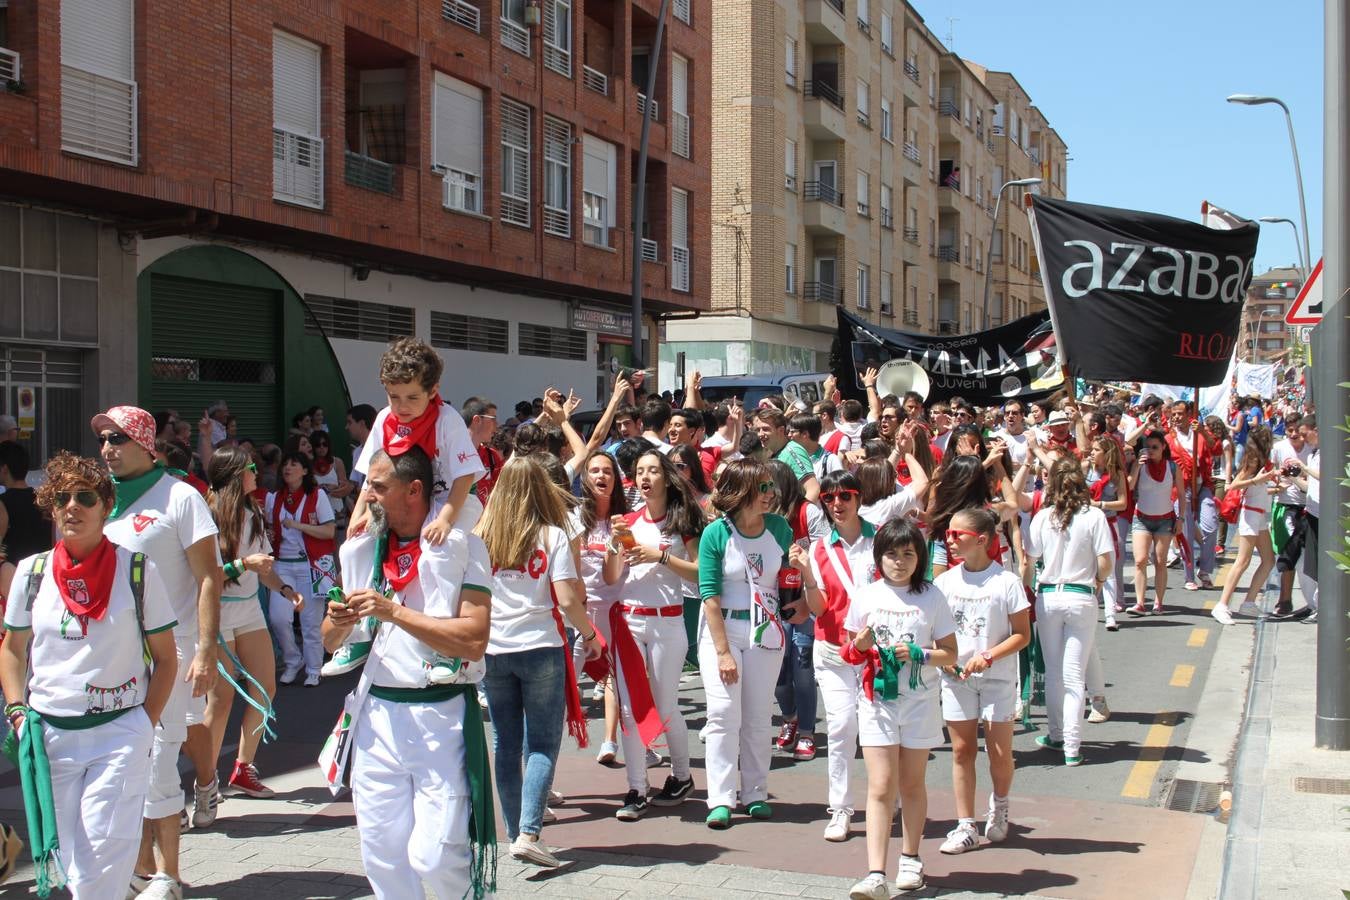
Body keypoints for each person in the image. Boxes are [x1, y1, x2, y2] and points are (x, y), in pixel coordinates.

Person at [1, 452, 179, 899]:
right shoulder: (32, 572)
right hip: (50, 735)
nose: (72, 507)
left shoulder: (137, 570)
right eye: (62, 498)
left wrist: (144, 722)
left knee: (103, 858)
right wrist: (18, 711)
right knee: (71, 858)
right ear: (51, 506)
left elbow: (166, 658)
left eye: (85, 497)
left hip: (118, 734)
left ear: (105, 505)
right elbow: (12, 649)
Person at [321, 447, 496, 900]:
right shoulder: (362, 548)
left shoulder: (464, 547)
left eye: (378, 487)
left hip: (440, 718)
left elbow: (474, 638)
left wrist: (393, 612)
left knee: (435, 856)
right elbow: (328, 640)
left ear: (414, 490)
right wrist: (338, 623)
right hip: (376, 716)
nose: (368, 498)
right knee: (382, 853)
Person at [93, 405, 221, 898]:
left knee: (158, 762)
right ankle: (141, 873)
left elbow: (209, 575)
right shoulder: (97, 500)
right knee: (126, 764)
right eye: (104, 439)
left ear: (147, 445)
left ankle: (169, 875)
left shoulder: (181, 496)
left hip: (172, 651)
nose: (108, 448)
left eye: (119, 439)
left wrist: (206, 649)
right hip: (112, 655)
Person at [328, 338, 486, 676]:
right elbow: (371, 476)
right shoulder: (385, 419)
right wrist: (360, 515)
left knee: (441, 548)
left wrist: (445, 519)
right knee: (354, 546)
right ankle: (356, 635)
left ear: (433, 390)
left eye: (412, 397)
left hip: (450, 499)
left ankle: (443, 647)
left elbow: (464, 476)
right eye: (394, 396)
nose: (402, 405)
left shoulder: (447, 420)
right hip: (400, 499)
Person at [477, 455, 599, 868]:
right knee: (542, 744)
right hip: (541, 646)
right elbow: (567, 598)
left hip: (493, 650)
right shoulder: (552, 536)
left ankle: (515, 832)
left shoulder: (482, 536)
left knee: (506, 744)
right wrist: (589, 634)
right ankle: (529, 832)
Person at [842, 519, 957, 897]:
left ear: (920, 557)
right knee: (880, 785)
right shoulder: (867, 596)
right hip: (878, 702)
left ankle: (910, 858)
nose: (899, 561)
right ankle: (876, 873)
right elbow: (849, 653)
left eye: (908, 554)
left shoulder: (932, 597)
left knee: (911, 783)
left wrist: (921, 654)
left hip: (921, 702)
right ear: (879, 557)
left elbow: (950, 654)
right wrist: (859, 646)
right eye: (891, 554)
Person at [697, 458, 795, 830]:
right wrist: (722, 652)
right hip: (723, 631)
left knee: (756, 716)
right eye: (764, 488)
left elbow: (788, 577)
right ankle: (720, 798)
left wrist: (798, 592)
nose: (771, 495)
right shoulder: (716, 534)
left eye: (771, 487)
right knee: (723, 714)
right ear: (743, 492)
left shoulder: (780, 529)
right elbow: (709, 597)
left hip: (765, 632)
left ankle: (755, 792)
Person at [608, 450, 703, 819]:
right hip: (630, 622)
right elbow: (612, 576)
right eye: (638, 472)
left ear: (666, 476)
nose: (644, 478)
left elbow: (698, 573)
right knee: (631, 711)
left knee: (664, 708)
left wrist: (659, 556)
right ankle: (636, 789)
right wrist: (618, 545)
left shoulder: (683, 521)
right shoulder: (628, 522)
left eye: (652, 471)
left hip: (668, 622)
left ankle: (681, 776)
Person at [203, 447, 301, 798]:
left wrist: (285, 589)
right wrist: (244, 565)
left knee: (265, 688)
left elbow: (265, 570)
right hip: (216, 612)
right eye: (249, 468)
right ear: (233, 474)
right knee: (221, 699)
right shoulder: (208, 515)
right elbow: (205, 574)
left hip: (248, 610)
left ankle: (244, 767)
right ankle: (207, 779)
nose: (256, 473)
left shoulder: (254, 512)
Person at [934, 508, 1030, 855]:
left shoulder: (1005, 582)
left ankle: (1000, 805)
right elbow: (936, 632)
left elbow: (1022, 635)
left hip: (997, 680)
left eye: (958, 534)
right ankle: (965, 826)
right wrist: (943, 661)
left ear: (982, 540)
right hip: (957, 678)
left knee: (999, 753)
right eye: (949, 533)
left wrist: (988, 656)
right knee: (961, 751)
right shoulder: (944, 582)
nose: (951, 539)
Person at [794, 470, 875, 842]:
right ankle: (840, 808)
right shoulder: (820, 548)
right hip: (832, 650)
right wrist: (808, 574)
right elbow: (819, 606)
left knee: (877, 732)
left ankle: (881, 800)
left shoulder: (882, 539)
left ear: (859, 497)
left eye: (845, 496)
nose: (837, 504)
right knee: (842, 726)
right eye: (829, 498)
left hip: (876, 651)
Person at [1025, 460, 1114, 766]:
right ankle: (1072, 747)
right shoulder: (1094, 516)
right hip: (1081, 596)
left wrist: (1027, 592)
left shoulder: (1041, 518)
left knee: (1054, 671)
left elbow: (1029, 561)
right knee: (1074, 675)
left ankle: (1057, 734)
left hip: (1048, 596)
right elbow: (1105, 561)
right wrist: (1099, 582)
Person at [766, 460, 829, 763]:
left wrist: (807, 596)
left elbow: (822, 554)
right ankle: (789, 718)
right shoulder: (760, 515)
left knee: (803, 668)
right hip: (771, 601)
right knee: (778, 669)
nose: (766, 493)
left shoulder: (809, 512)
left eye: (770, 486)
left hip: (804, 598)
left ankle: (807, 732)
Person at [573, 449, 627, 766]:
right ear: (586, 477)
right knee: (567, 680)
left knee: (612, 677)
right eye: (595, 471)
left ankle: (610, 742)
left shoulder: (624, 520)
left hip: (614, 608)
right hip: (579, 609)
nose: (601, 476)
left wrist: (616, 545)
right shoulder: (574, 519)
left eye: (607, 471)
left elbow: (615, 572)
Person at [264, 451, 336, 686]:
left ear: (305, 471)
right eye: (285, 463)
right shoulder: (273, 498)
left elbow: (329, 531)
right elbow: (268, 528)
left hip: (309, 564)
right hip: (281, 565)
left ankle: (314, 667)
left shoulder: (317, 496)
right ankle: (293, 660)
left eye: (294, 463)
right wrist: (270, 534)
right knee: (278, 618)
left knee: (309, 621)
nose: (288, 468)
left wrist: (298, 525)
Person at [1212, 426, 1278, 625]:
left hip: (1258, 516)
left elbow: (1257, 490)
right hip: (1250, 515)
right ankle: (1222, 605)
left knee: (1268, 560)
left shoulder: (1259, 460)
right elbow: (1233, 485)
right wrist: (1259, 479)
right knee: (1243, 561)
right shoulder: (1253, 460)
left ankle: (1248, 602)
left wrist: (1274, 487)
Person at [1164, 401, 1218, 591]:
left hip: (1202, 486)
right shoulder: (1168, 439)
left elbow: (1214, 447)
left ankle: (1204, 570)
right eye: (1174, 414)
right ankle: (1189, 576)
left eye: (1180, 413)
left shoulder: (1199, 433)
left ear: (1189, 415)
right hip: (1181, 488)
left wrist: (1202, 431)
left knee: (1210, 526)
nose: (1177, 417)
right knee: (1185, 532)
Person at [1269, 413, 1314, 617]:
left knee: (1305, 557)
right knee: (1287, 553)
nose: (1294, 435)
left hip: (1309, 507)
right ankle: (1284, 600)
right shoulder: (1279, 448)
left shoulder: (1312, 450)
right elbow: (1270, 473)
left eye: (1298, 431)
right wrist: (1278, 483)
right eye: (1290, 431)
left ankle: (1312, 603)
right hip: (1285, 505)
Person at [1128, 432, 1177, 616]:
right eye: (1147, 448)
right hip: (1141, 518)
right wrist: (1137, 467)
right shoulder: (1140, 465)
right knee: (1140, 560)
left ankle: (1158, 602)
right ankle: (1140, 602)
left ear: (1163, 447)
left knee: (1160, 561)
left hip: (1164, 520)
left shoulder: (1172, 467)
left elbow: (1181, 493)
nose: (1151, 451)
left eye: (1155, 447)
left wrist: (1180, 519)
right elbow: (1130, 486)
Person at [0, 440, 51, 561]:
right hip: (42, 571)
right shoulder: (44, 500)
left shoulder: (3, 503)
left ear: (4, 469)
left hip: (13, 574)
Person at [310, 430, 354, 527]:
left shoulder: (337, 462)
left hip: (337, 510)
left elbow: (345, 486)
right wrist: (321, 488)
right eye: (318, 445)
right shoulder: (308, 465)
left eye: (325, 444)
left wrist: (335, 487)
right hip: (317, 511)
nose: (322, 447)